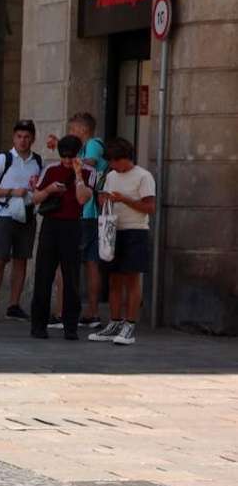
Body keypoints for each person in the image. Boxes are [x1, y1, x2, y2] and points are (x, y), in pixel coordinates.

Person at [89, 138, 155, 346]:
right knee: (114, 279)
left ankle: (130, 324)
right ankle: (115, 321)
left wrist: (124, 199)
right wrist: (104, 200)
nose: (113, 166)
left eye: (115, 162)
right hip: (113, 231)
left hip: (135, 231)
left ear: (125, 159)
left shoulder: (144, 176)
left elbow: (150, 207)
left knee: (132, 279)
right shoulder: (111, 176)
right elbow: (104, 198)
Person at [28, 133, 93, 340]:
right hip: (51, 225)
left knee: (71, 276)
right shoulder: (51, 169)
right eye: (63, 157)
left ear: (78, 154)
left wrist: (78, 175)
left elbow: (83, 199)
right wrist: (49, 189)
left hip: (73, 226)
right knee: (43, 275)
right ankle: (38, 325)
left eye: (70, 157)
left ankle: (70, 326)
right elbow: (36, 198)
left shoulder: (89, 171)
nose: (66, 161)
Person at [0, 119, 43, 323]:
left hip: (26, 215)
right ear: (13, 138)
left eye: (27, 137)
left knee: (21, 260)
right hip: (4, 215)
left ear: (33, 139)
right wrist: (11, 192)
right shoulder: (3, 159)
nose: (23, 141)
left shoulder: (38, 161)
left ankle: (14, 305)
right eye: (19, 136)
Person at [48, 113, 106, 326]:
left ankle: (62, 312)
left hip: (83, 215)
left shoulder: (92, 145)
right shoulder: (88, 147)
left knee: (66, 264)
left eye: (72, 131)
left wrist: (63, 149)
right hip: (90, 216)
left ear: (82, 131)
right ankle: (91, 313)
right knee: (91, 264)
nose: (70, 135)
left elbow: (84, 166)